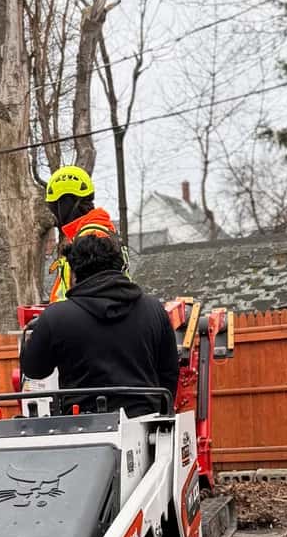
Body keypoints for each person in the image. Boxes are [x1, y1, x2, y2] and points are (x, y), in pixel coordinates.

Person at [20, 231, 178, 416]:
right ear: (120, 266)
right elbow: (169, 374)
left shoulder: (56, 316)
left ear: (74, 272)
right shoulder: (154, 310)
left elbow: (34, 370)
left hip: (80, 428)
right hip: (145, 424)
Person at [44, 164, 126, 301]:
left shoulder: (93, 239)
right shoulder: (94, 233)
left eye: (53, 206)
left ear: (65, 203)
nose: (54, 214)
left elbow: (95, 301)